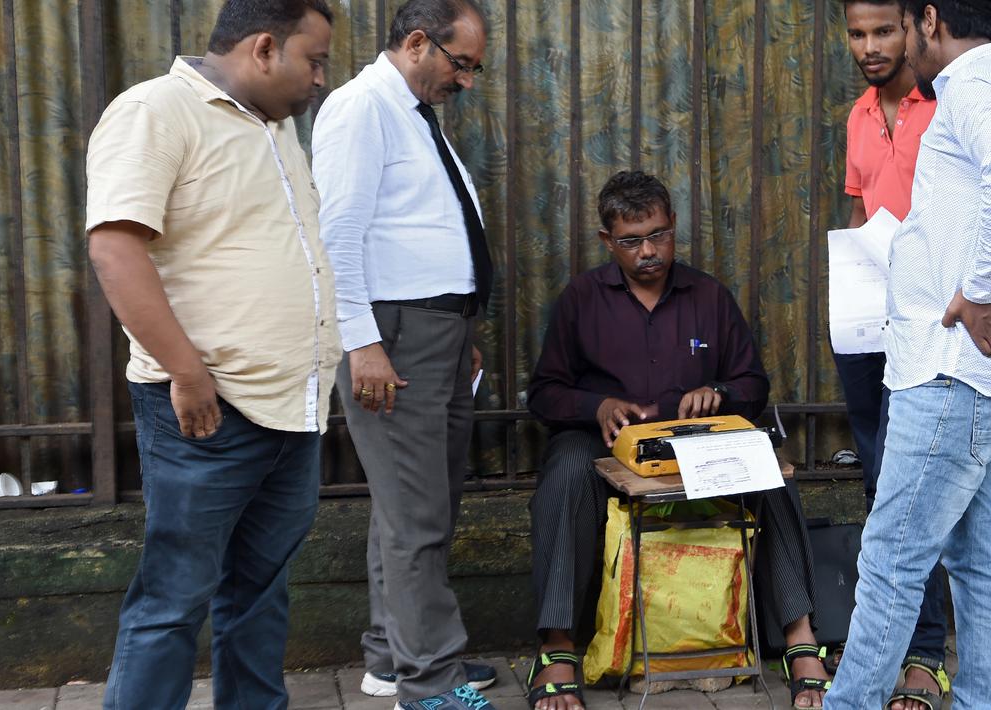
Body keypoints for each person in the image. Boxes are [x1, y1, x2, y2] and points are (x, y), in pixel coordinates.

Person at [822, 1, 991, 709]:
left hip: (950, 370)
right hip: (978, 373)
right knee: (976, 556)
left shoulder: (973, 89)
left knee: (890, 559)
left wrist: (982, 285)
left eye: (902, 27)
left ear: (929, 19)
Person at [85, 2, 338, 708]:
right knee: (173, 600)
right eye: (313, 60)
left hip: (293, 407)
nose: (320, 78)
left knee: (259, 595)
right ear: (263, 48)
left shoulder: (275, 128)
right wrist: (187, 371)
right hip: (206, 408)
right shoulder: (156, 112)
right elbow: (114, 246)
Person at [525, 170, 830, 710]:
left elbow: (752, 384)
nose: (649, 252)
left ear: (673, 229)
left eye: (659, 235)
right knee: (568, 468)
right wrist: (596, 406)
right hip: (607, 447)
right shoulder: (582, 299)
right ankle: (558, 647)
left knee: (764, 463)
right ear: (607, 242)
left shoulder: (707, 295)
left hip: (695, 444)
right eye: (632, 241)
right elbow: (545, 393)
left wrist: (717, 391)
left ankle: (801, 641)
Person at [311, 1, 496, 708]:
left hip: (432, 331)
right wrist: (361, 342)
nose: (467, 81)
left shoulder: (412, 114)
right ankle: (432, 681)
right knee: (417, 513)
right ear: (418, 43)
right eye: (461, 64)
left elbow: (421, 227)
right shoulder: (362, 109)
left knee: (414, 506)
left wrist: (459, 326)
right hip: (390, 335)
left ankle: (393, 657)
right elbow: (338, 235)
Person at [837, 2, 950, 708]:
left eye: (882, 30)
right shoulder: (857, 115)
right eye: (856, 33)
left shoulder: (943, 106)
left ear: (915, 26)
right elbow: (860, 210)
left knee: (921, 489)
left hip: (931, 324)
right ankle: (891, 638)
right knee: (881, 486)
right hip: (865, 321)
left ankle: (926, 654)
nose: (869, 46)